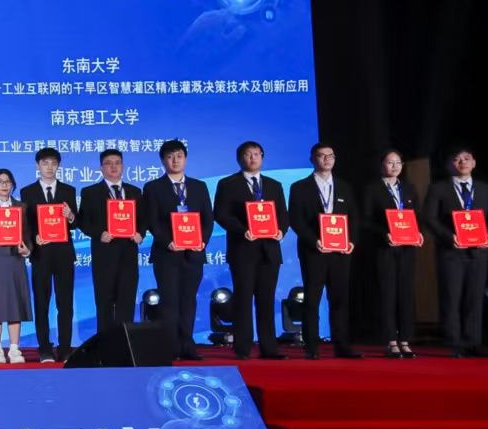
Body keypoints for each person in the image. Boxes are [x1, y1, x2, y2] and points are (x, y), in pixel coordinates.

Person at [423, 144, 488, 358]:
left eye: (467, 158)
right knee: (451, 298)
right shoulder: (438, 188)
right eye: (457, 159)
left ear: (474, 163)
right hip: (451, 252)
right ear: (451, 164)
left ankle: (473, 342)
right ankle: (454, 343)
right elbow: (429, 218)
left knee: (474, 298)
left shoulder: (486, 189)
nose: (463, 162)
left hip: (478, 252)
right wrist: (450, 237)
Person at [214, 140, 290, 360]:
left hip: (269, 250)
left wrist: (281, 231)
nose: (253, 158)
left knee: (267, 299)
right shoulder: (228, 184)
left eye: (257, 154)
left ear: (262, 157)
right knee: (243, 299)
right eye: (248, 154)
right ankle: (243, 347)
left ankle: (269, 347)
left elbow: (283, 214)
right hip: (242, 249)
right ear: (240, 159)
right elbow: (220, 214)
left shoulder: (274, 185)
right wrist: (242, 230)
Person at [141, 138, 214, 361]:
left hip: (194, 254)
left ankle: (188, 346)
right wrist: (167, 241)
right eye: (170, 157)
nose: (175, 160)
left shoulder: (199, 186)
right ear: (163, 160)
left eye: (179, 156)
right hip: (167, 254)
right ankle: (170, 347)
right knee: (169, 302)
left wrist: (202, 241)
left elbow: (207, 219)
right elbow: (152, 221)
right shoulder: (153, 187)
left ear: (186, 159)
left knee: (189, 300)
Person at [287, 142, 361, 360]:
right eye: (321, 156)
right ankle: (311, 346)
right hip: (314, 251)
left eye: (331, 156)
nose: (327, 159)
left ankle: (342, 345)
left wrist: (351, 241)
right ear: (312, 159)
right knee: (312, 299)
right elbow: (296, 219)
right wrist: (314, 241)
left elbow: (354, 218)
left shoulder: (345, 186)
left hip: (340, 252)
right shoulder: (299, 187)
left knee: (339, 299)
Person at [358, 149, 421, 358]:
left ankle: (405, 340)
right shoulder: (372, 189)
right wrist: (384, 233)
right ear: (381, 165)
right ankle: (391, 341)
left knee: (406, 294)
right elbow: (365, 220)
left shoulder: (409, 188)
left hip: (407, 249)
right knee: (387, 294)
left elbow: (417, 216)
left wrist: (419, 233)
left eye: (398, 163)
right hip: (383, 249)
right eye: (390, 162)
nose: (394, 166)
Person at [20, 147, 78, 361]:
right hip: (41, 254)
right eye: (45, 163)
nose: (49, 167)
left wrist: (70, 216)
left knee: (65, 303)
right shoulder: (27, 192)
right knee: (42, 302)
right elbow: (25, 223)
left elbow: (76, 222)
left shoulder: (68, 190)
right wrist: (33, 238)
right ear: (38, 166)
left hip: (64, 254)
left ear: (58, 165)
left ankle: (65, 347)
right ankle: (44, 347)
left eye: (53, 163)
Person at [78, 148, 143, 333]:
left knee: (127, 300)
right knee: (104, 302)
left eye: (117, 163)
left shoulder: (135, 191)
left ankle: (125, 341)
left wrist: (140, 233)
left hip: (128, 254)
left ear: (123, 166)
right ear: (101, 168)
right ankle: (105, 343)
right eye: (108, 163)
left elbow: (144, 218)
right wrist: (99, 234)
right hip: (104, 255)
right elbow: (83, 221)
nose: (113, 167)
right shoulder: (90, 192)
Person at [0, 169, 33, 363]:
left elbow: (27, 234)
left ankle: (15, 349)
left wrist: (27, 249)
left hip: (15, 259)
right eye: (0, 182)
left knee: (14, 303)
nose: (4, 185)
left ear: (13, 185)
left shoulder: (21, 207)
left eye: (8, 182)